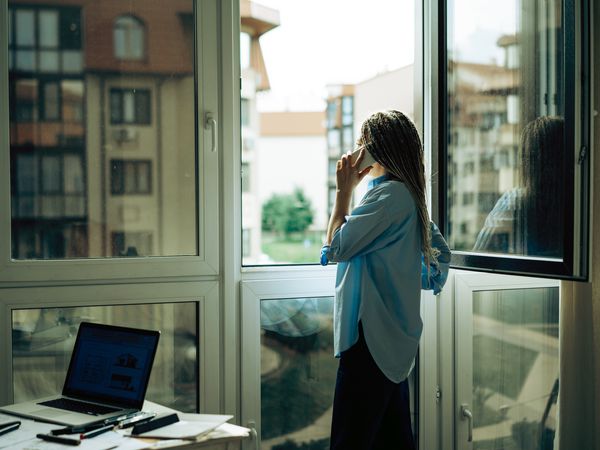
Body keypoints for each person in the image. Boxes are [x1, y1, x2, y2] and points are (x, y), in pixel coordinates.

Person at [320, 110, 451, 449]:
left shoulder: (387, 199)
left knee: (350, 441)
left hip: (371, 342)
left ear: (374, 151)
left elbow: (334, 247)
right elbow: (440, 259)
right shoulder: (406, 197)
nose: (357, 151)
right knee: (394, 441)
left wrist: (343, 192)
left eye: (362, 144)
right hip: (392, 341)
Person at [473, 116, 564, 257]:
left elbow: (478, 256)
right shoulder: (581, 206)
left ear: (529, 162)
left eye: (525, 157)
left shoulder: (515, 201)